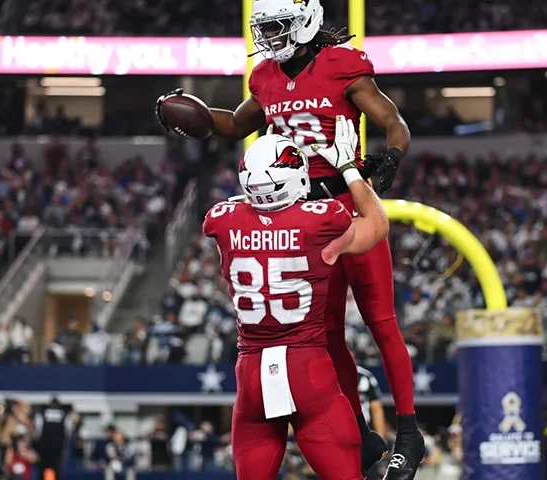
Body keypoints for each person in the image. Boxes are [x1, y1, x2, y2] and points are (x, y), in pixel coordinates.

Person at [156, 0, 423, 476]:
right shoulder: (265, 77)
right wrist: (195, 116)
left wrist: (393, 156)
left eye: (277, 27)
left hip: (345, 198)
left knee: (381, 321)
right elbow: (238, 124)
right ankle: (358, 430)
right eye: (264, 29)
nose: (269, 38)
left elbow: (393, 121)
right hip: (299, 212)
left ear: (304, 22)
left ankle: (408, 433)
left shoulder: (342, 65)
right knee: (326, 334)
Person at [202, 119, 388, 480]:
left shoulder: (223, 220)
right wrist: (349, 169)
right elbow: (377, 224)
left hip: (252, 373)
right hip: (308, 369)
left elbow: (244, 212)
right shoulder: (320, 222)